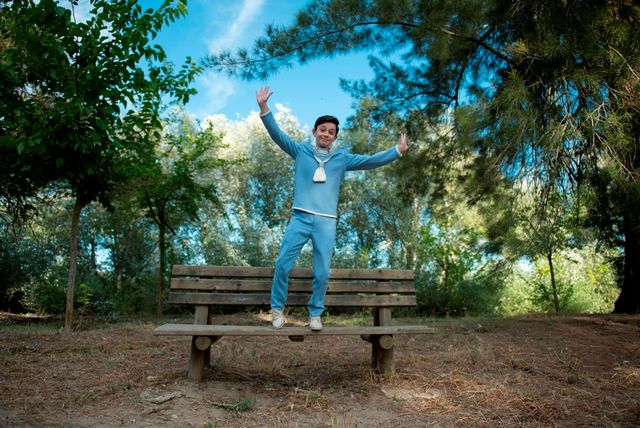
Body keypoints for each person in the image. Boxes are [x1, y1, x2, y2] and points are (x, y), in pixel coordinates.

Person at [256, 86, 409, 331]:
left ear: (335, 137)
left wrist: (396, 152)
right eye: (323, 130)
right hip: (301, 217)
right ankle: (276, 310)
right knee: (283, 263)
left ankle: (315, 314)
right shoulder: (301, 151)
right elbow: (278, 135)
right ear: (314, 131)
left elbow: (370, 161)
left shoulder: (341, 159)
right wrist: (264, 109)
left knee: (323, 272)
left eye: (331, 132)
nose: (326, 134)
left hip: (326, 222)